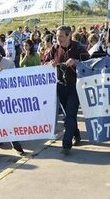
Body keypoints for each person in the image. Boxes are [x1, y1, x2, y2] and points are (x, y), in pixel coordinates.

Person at [44, 26, 88, 155]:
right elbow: (45, 62)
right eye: (57, 36)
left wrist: (76, 62)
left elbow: (91, 64)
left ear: (69, 36)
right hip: (61, 85)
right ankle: (76, 134)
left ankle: (66, 144)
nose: (59, 39)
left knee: (70, 113)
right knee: (68, 115)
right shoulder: (54, 48)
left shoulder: (79, 48)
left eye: (61, 36)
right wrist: (49, 63)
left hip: (75, 85)